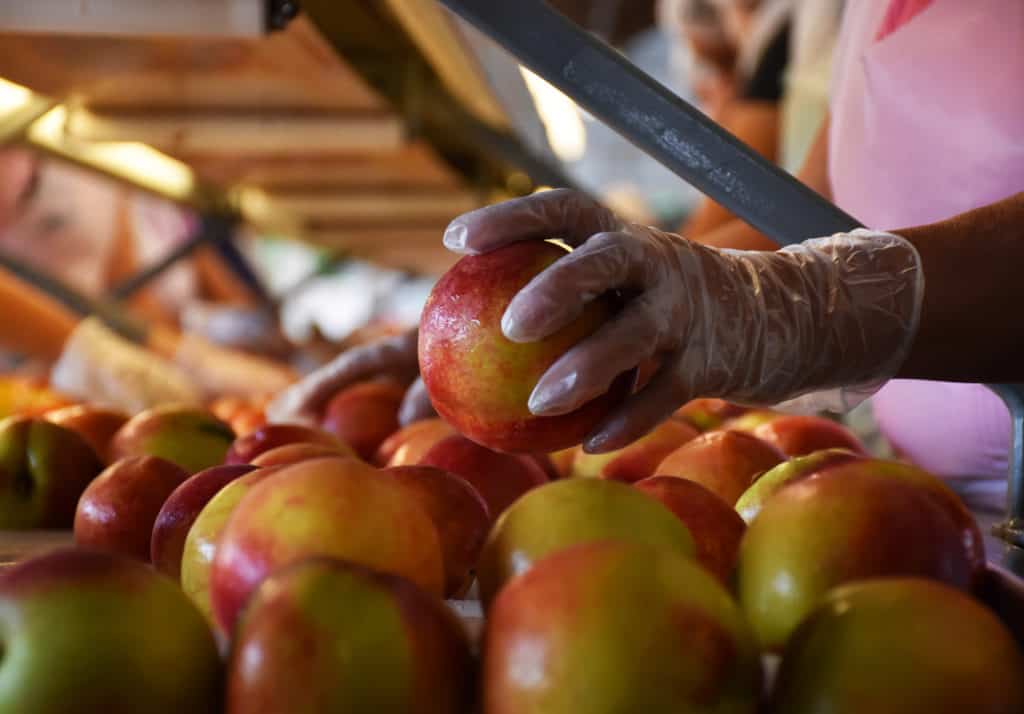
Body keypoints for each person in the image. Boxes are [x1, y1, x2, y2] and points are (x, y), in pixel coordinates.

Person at [270, 0, 1023, 513]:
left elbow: (806, 279)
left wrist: (799, 310)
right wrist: (504, 342)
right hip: (929, 514)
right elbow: (802, 219)